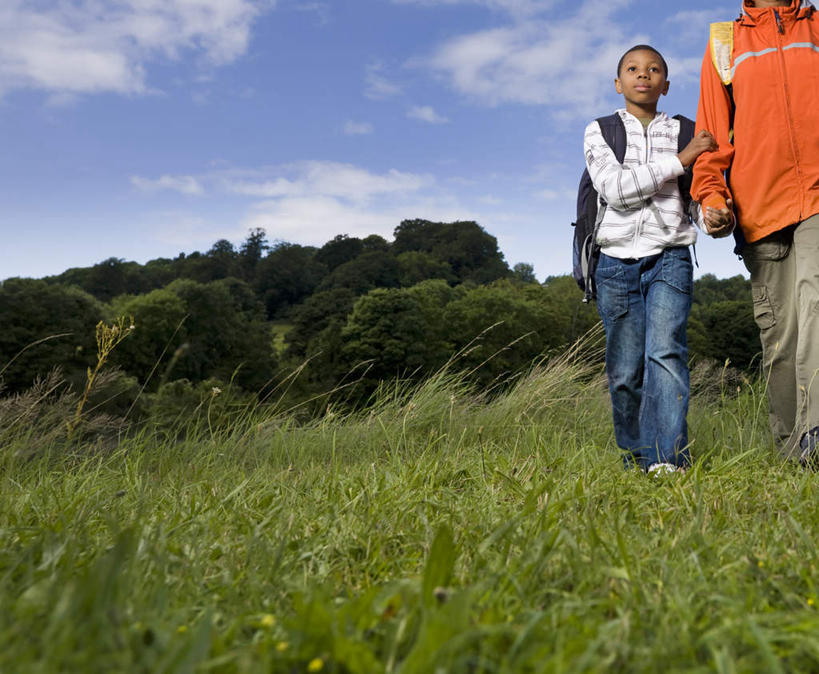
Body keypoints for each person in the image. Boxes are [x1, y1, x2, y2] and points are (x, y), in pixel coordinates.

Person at [692, 0, 819, 465]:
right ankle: (793, 454)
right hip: (758, 207)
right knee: (781, 337)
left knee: (816, 305)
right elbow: (710, 135)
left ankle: (816, 433)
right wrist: (712, 197)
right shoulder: (724, 41)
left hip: (816, 198)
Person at [585, 45, 717, 473]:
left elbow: (695, 199)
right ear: (618, 82)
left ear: (666, 84)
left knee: (666, 354)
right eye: (633, 69)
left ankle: (667, 461)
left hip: (670, 256)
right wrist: (680, 161)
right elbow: (616, 191)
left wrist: (715, 216)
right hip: (614, 263)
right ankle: (635, 457)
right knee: (625, 372)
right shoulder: (600, 131)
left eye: (654, 69)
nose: (644, 75)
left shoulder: (686, 131)